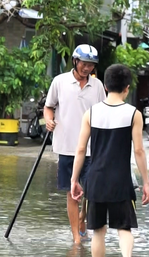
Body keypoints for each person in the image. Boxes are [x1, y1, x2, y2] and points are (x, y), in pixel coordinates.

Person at [70, 64, 149, 257]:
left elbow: (80, 150)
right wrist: (146, 183)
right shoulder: (133, 114)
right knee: (124, 227)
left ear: (105, 86)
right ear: (127, 88)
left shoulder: (91, 113)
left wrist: (74, 179)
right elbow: (139, 151)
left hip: (95, 180)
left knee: (98, 230)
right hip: (121, 180)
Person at [44, 44, 107, 244]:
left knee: (90, 192)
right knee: (72, 193)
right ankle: (76, 238)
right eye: (84, 64)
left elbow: (103, 113)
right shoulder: (60, 82)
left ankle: (82, 220)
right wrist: (49, 120)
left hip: (91, 148)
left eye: (91, 65)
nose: (87, 68)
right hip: (66, 147)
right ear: (75, 61)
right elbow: (48, 107)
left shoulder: (97, 86)